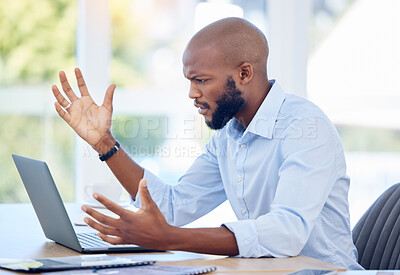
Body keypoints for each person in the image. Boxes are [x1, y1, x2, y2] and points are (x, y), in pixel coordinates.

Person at [51, 17, 362, 269]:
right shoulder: (229, 135)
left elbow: (286, 232)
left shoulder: (306, 128)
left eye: (200, 80)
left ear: (244, 73)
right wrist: (104, 142)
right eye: (189, 81)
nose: (192, 93)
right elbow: (173, 207)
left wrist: (169, 238)